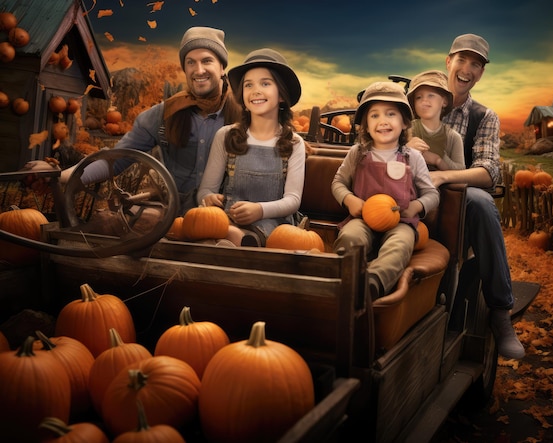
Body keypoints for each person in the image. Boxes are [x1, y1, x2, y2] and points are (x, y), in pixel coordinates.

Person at [60, 26, 240, 215]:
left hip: (227, 217)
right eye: (191, 63)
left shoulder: (245, 114)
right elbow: (116, 159)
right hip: (174, 217)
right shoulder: (165, 114)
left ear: (222, 67)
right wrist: (62, 176)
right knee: (110, 222)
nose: (199, 70)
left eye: (207, 61)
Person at [431, 33, 524, 359]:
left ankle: (500, 311)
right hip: (405, 194)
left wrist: (443, 174)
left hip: (456, 202)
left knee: (482, 201)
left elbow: (487, 173)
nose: (467, 69)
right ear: (448, 61)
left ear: (481, 72)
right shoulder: (417, 100)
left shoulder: (484, 117)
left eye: (476, 64)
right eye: (462, 60)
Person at [331, 82, 439, 300]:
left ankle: (373, 283)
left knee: (400, 245)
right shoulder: (358, 154)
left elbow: (432, 194)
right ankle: (342, 281)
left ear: (404, 122)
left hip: (401, 222)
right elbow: (338, 182)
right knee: (350, 237)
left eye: (391, 114)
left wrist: (416, 206)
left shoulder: (412, 157)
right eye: (374, 116)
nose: (383, 121)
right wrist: (349, 199)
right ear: (365, 125)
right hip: (362, 218)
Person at [197, 48, 306, 247]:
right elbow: (205, 190)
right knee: (210, 232)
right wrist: (208, 199)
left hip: (271, 224)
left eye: (265, 83)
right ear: (243, 97)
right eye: (249, 85)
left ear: (281, 95)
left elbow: (293, 200)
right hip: (227, 219)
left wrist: (260, 210)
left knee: (238, 238)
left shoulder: (293, 143)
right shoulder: (226, 136)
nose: (255, 90)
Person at [406, 70, 465, 171]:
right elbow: (389, 158)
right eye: (418, 97)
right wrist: (406, 149)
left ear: (445, 101)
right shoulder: (407, 130)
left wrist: (438, 159)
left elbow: (460, 173)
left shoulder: (453, 137)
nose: (424, 101)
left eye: (431, 95)